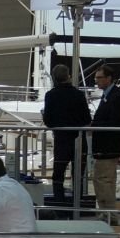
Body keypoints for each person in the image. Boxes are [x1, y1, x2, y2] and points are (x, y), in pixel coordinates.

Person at [41, 63, 91, 201]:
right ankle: (77, 203)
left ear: (54, 78)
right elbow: (87, 119)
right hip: (78, 139)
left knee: (58, 173)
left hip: (61, 140)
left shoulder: (51, 95)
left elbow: (48, 121)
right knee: (78, 174)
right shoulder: (79, 95)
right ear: (68, 76)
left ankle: (59, 203)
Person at [89, 67, 120, 211]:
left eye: (99, 77)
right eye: (96, 78)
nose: (96, 81)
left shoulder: (116, 96)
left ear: (109, 78)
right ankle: (107, 213)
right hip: (106, 147)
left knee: (103, 181)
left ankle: (108, 214)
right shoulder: (109, 95)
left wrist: (93, 126)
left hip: (108, 147)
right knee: (104, 181)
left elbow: (115, 122)